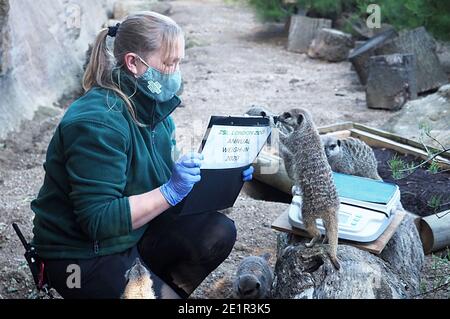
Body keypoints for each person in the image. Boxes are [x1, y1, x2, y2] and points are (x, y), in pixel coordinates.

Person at [30, 11, 254, 299]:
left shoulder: (154, 111)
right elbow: (97, 220)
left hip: (131, 235)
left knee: (217, 231)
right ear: (133, 63)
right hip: (80, 254)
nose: (175, 73)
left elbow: (161, 189)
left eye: (178, 63)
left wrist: (220, 175)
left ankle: (154, 287)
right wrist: (171, 190)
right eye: (168, 63)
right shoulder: (97, 123)